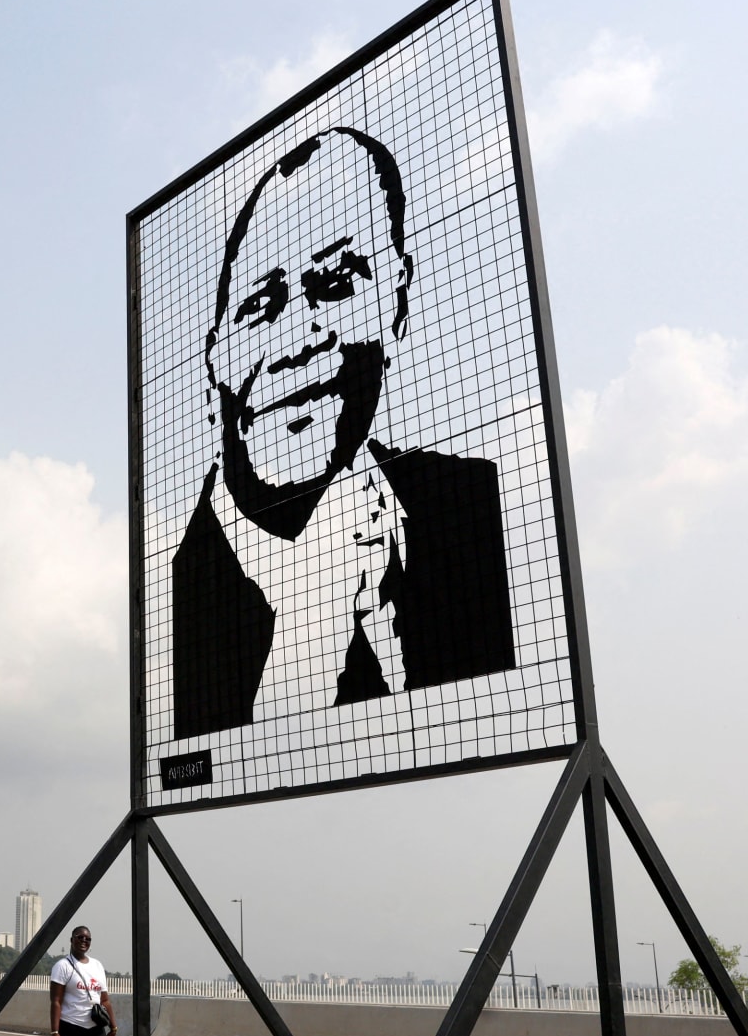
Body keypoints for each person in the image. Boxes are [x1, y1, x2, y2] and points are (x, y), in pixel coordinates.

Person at [172, 127, 515, 740]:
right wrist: (316, 617)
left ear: (398, 303)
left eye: (336, 284)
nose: (299, 339)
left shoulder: (472, 502)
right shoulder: (185, 586)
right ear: (215, 354)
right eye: (259, 305)